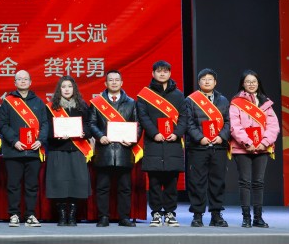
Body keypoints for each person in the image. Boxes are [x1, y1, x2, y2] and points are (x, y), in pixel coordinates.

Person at [136, 60, 188, 227]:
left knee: (172, 182)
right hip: (154, 144)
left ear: (170, 73)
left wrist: (177, 133)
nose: (162, 74)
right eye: (159, 71)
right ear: (153, 74)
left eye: (165, 71)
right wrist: (155, 133)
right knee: (155, 183)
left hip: (173, 144)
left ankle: (171, 213)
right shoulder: (145, 95)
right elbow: (143, 117)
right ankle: (157, 213)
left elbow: (184, 117)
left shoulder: (178, 95)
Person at [229, 70, 279, 228]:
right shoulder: (236, 102)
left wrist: (264, 142)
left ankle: (258, 218)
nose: (251, 84)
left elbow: (273, 126)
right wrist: (247, 142)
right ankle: (246, 218)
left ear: (258, 83)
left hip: (262, 148)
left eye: (254, 81)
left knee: (258, 183)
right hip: (242, 148)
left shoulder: (266, 103)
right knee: (244, 182)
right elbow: (234, 125)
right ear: (243, 84)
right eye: (248, 81)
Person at [0, 70, 49, 227]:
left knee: (32, 186)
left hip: (33, 151)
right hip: (13, 151)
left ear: (30, 82)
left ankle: (30, 215)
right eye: (19, 79)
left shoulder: (38, 102)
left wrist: (40, 140)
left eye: (25, 79)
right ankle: (14, 214)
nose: (22, 81)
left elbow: (45, 124)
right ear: (15, 83)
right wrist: (14, 141)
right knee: (13, 185)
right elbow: (3, 124)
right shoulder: (8, 101)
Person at [89, 70, 139, 227]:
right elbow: (91, 123)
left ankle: (124, 217)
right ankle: (103, 217)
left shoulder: (131, 103)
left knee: (125, 187)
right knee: (102, 187)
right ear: (106, 83)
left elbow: (137, 125)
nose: (114, 82)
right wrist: (100, 136)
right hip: (105, 150)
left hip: (124, 150)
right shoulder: (97, 102)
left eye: (117, 80)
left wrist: (132, 140)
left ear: (122, 83)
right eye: (111, 80)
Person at [185, 68, 231, 227]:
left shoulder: (223, 100)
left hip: (219, 147)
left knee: (218, 182)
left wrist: (221, 137)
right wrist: (200, 138)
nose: (206, 81)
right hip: (198, 147)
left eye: (210, 79)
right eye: (203, 79)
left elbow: (228, 122)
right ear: (199, 82)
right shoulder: (191, 100)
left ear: (215, 82)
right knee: (197, 182)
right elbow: (188, 123)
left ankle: (216, 215)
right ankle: (197, 215)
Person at [46, 75, 92, 226]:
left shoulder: (82, 106)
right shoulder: (51, 107)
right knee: (59, 183)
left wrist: (83, 132)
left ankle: (72, 215)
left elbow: (89, 125)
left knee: (76, 183)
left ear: (74, 89)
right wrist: (56, 135)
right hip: (57, 149)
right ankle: (61, 215)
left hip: (77, 149)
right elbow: (46, 128)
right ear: (59, 89)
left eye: (69, 87)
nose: (66, 89)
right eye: (63, 87)